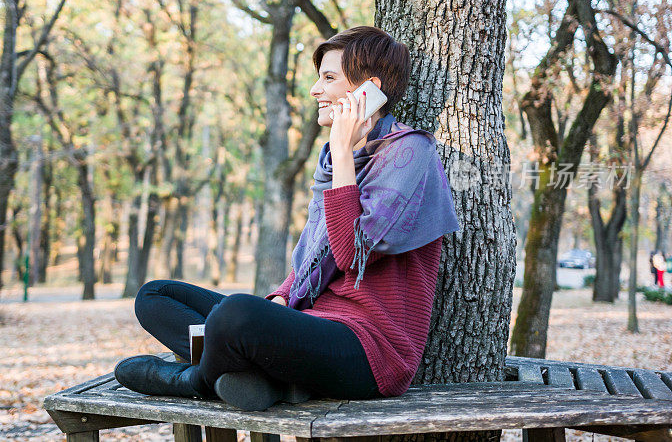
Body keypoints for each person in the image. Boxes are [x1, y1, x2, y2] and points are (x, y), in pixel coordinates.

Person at [113, 26, 461, 411]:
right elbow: (315, 246)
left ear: (368, 90)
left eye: (328, 78)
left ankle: (196, 381)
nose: (315, 89)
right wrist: (282, 295)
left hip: (370, 349)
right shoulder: (332, 161)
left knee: (237, 314)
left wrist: (343, 151)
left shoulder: (410, 153)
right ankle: (271, 379)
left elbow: (349, 254)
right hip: (310, 319)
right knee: (155, 296)